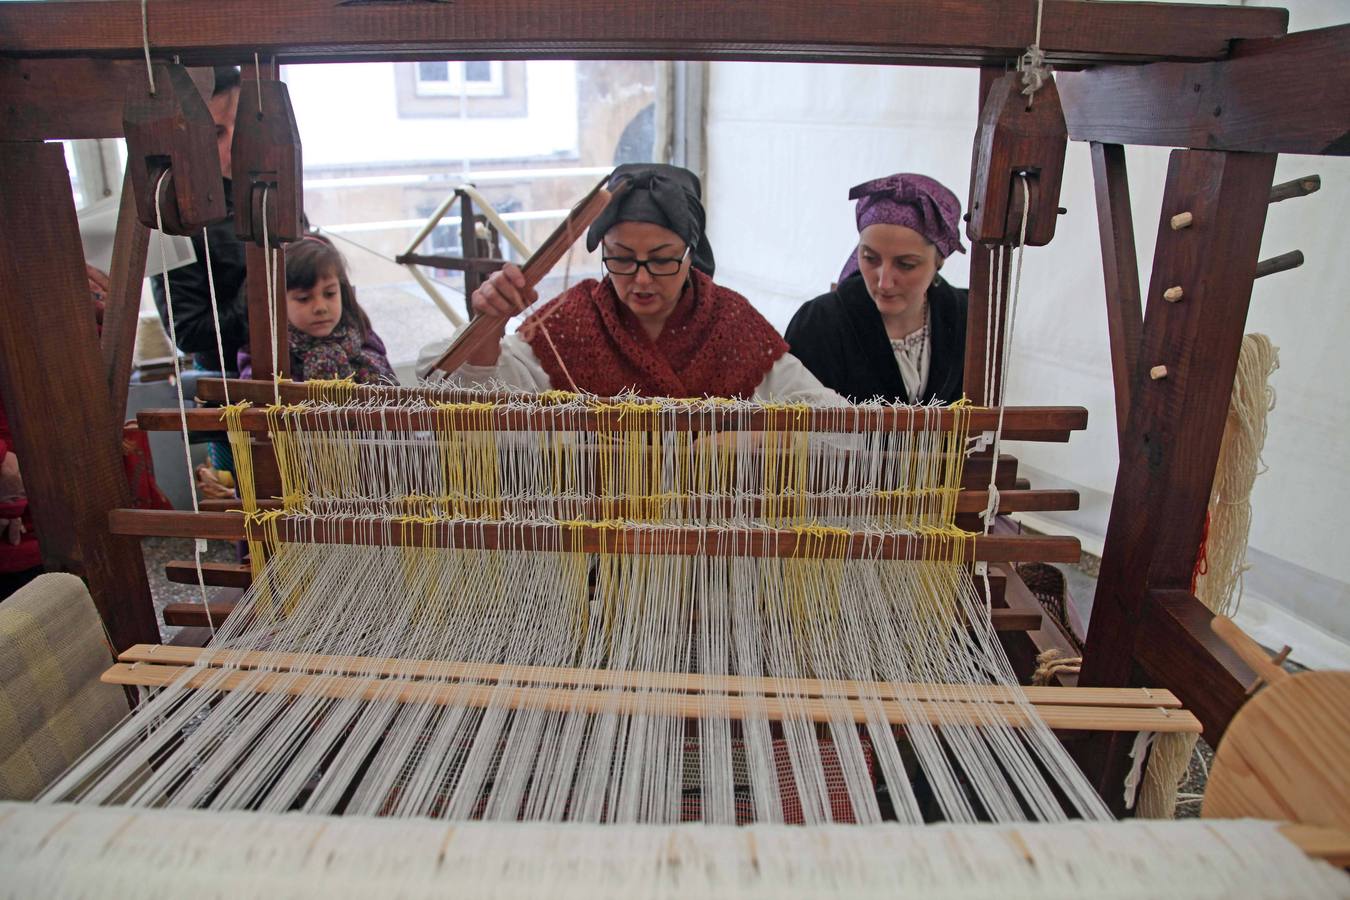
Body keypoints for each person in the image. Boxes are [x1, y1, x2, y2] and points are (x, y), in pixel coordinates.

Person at [433, 163, 842, 405]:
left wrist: (755, 437)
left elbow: (834, 421)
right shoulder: (572, 321)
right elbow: (489, 403)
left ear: (690, 254)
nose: (641, 279)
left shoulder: (730, 322)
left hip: (709, 532)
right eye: (622, 259)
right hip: (595, 529)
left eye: (663, 260)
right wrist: (487, 329)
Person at [785, 174, 969, 405]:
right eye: (870, 258)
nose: (884, 282)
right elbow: (793, 426)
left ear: (940, 259)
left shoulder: (968, 318)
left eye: (906, 265)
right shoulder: (818, 323)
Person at [150, 65, 249, 376]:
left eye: (244, 124)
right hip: (229, 388)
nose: (236, 142)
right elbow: (189, 331)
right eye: (218, 132)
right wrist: (260, 291)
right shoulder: (174, 216)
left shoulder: (272, 195)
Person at [240, 235, 395, 384]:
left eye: (330, 294)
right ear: (277, 301)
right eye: (304, 299)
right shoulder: (265, 362)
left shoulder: (367, 343)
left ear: (342, 291)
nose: (320, 307)